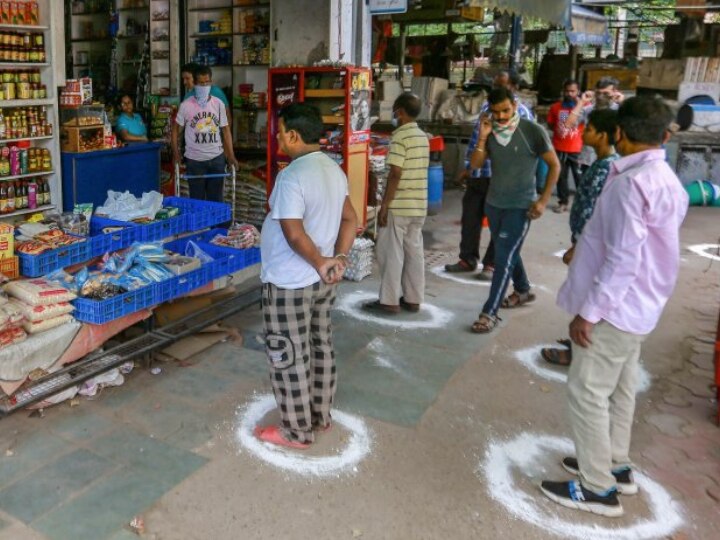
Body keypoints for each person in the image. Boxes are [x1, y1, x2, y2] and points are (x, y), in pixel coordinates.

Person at [540, 96, 688, 517]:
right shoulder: (665, 178)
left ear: (619, 132)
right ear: (663, 136)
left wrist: (590, 311)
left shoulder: (630, 184)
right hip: (641, 305)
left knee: (587, 390)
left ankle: (597, 487)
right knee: (621, 388)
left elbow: (624, 257)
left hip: (616, 309)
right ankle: (615, 466)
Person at [254, 103, 358, 448]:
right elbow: (351, 220)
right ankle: (319, 415)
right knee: (319, 344)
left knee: (287, 352)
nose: (279, 139)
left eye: (281, 132)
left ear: (294, 135)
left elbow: (294, 234)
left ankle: (296, 431)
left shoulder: (292, 176)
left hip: (289, 282)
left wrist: (320, 261)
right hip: (321, 280)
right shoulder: (333, 170)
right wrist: (336, 259)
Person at [469, 87, 560, 334]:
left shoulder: (532, 131)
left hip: (521, 207)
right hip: (494, 203)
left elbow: (554, 165)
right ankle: (522, 289)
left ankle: (489, 312)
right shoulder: (489, 131)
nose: (501, 117)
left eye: (506, 110)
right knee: (506, 250)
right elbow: (476, 165)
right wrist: (481, 136)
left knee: (503, 258)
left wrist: (542, 200)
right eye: (496, 112)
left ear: (515, 104)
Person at [541, 109, 620, 367]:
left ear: (604, 135)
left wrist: (578, 245)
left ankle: (580, 351)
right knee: (582, 292)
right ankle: (577, 342)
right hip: (586, 241)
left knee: (588, 295)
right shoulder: (600, 163)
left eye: (589, 129)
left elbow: (594, 213)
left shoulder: (606, 168)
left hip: (591, 244)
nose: (583, 132)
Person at [445, 70, 534, 281]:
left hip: (504, 179)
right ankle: (468, 259)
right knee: (470, 218)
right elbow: (478, 139)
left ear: (513, 88)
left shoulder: (524, 115)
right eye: (494, 84)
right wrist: (468, 168)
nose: (495, 88)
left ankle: (492, 264)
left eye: (501, 84)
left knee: (498, 223)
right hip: (480, 173)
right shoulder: (487, 108)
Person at [363, 93, 429, 315]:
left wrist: (385, 205)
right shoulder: (422, 137)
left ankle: (389, 301)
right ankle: (413, 298)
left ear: (399, 112)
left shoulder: (400, 137)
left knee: (391, 252)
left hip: (400, 205)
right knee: (414, 252)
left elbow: (396, 173)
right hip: (419, 206)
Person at [171, 65, 237, 202]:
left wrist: (230, 155)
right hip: (195, 160)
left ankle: (216, 225)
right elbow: (176, 129)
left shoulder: (218, 103)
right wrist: (176, 153)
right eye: (201, 83)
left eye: (207, 82)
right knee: (197, 200)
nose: (205, 86)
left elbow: (226, 129)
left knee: (216, 200)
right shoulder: (186, 105)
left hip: (216, 158)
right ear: (194, 83)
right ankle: (201, 224)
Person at [566, 77, 625, 174]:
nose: (601, 97)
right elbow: (567, 125)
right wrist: (581, 102)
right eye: (598, 93)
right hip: (588, 160)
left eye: (606, 93)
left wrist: (622, 103)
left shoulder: (619, 110)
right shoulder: (588, 109)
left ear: (615, 92)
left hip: (614, 161)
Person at [547, 79, 584, 213]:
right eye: (567, 91)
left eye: (573, 91)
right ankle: (563, 202)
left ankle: (582, 204)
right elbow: (550, 124)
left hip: (578, 149)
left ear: (578, 92)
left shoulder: (584, 108)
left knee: (580, 178)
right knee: (561, 176)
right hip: (559, 147)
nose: (569, 93)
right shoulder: (555, 107)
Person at [181, 62, 231, 127]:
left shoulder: (216, 92)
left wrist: (224, 136)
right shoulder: (188, 96)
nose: (184, 82)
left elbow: (227, 118)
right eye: (183, 79)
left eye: (187, 78)